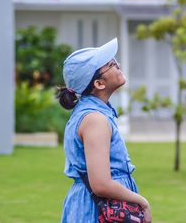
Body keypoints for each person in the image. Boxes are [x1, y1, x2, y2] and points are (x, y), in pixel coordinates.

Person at [57, 38, 151, 223]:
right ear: (99, 83)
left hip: (97, 207)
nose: (118, 65)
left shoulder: (93, 113)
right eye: (111, 64)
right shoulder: (95, 119)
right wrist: (142, 202)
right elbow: (101, 184)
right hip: (96, 210)